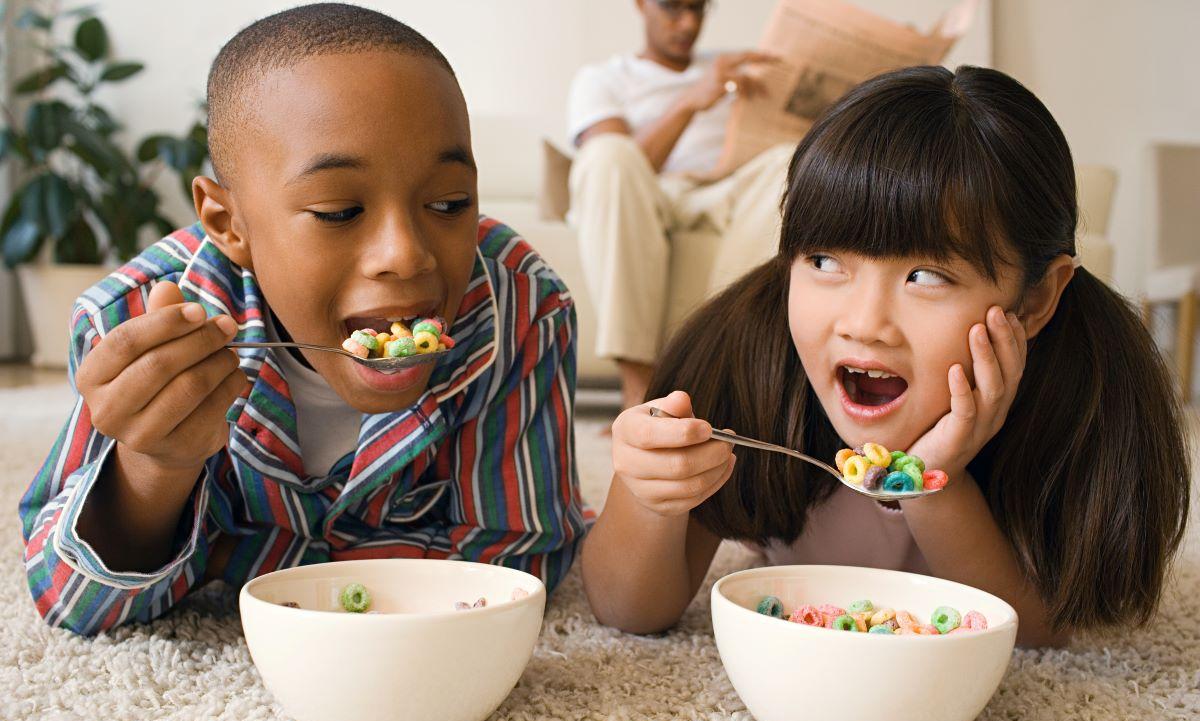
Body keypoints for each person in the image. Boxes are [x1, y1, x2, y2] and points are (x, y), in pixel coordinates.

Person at [19, 3, 589, 635]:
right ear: (227, 224)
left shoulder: (517, 308)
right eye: (340, 210)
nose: (405, 255)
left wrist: (231, 555)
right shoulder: (138, 323)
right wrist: (157, 467)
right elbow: (71, 603)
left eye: (449, 202)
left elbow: (521, 560)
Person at [581, 65, 1190, 648]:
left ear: (1034, 300)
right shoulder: (741, 359)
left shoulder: (1086, 396)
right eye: (824, 263)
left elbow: (1037, 633)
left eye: (926, 275)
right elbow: (629, 611)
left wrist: (933, 486)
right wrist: (644, 491)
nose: (864, 325)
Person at [567, 0, 794, 409]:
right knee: (608, 153)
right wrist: (692, 101)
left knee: (789, 162)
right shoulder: (603, 79)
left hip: (726, 190)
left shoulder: (735, 69)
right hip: (649, 192)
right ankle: (638, 389)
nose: (688, 23)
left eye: (698, 9)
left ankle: (723, 370)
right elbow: (619, 164)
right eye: (673, 7)